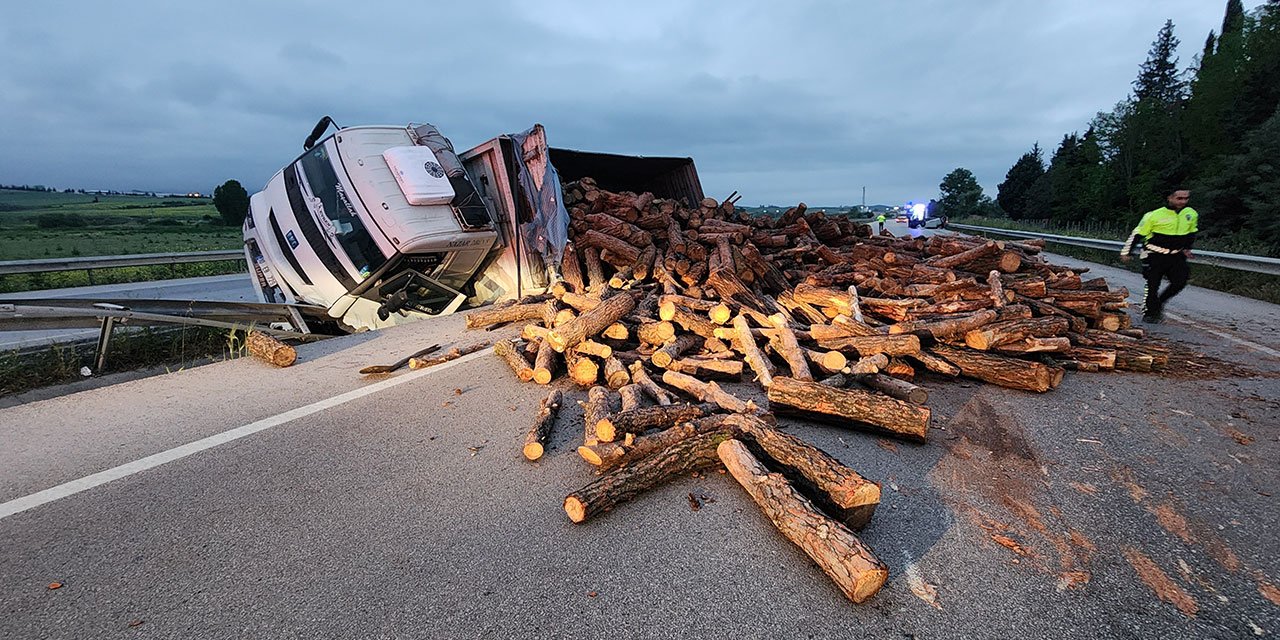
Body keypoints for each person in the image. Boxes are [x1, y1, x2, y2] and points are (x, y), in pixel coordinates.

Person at [1119, 188, 1197, 323]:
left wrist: (1187, 248)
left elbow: (1191, 232)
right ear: (1170, 198)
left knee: (1180, 281)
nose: (1183, 201)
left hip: (1176, 255)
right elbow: (1138, 234)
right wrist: (1127, 252)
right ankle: (1150, 313)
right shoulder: (1154, 215)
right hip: (1154, 254)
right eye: (1179, 198)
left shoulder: (1191, 214)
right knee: (1153, 284)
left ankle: (1159, 303)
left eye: (1186, 198)